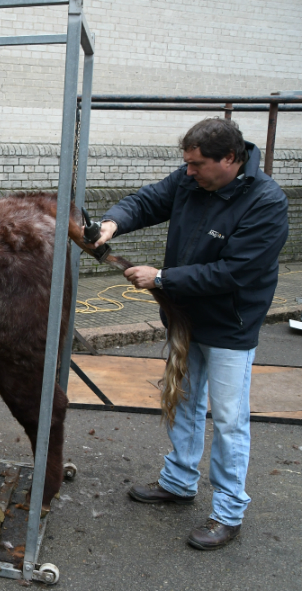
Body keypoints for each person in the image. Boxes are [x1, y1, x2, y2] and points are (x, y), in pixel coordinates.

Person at [91, 118, 288, 550]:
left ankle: (228, 512)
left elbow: (235, 271)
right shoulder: (190, 180)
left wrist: (162, 278)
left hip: (230, 326)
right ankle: (179, 482)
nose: (189, 171)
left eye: (197, 164)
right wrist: (111, 224)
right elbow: (147, 201)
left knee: (230, 420)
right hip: (185, 318)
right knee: (184, 401)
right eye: (187, 163)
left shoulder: (266, 202)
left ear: (230, 159)